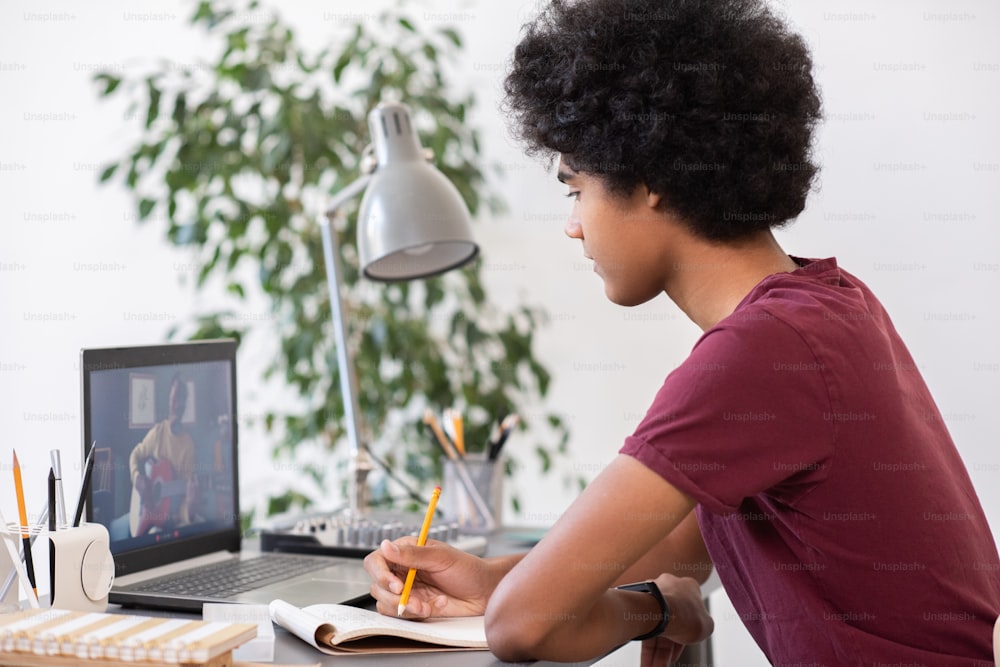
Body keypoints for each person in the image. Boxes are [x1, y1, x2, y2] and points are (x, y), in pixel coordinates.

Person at [364, 0, 1000, 663]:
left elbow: (522, 627)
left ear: (651, 180)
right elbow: (679, 544)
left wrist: (661, 608)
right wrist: (492, 576)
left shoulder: (762, 349)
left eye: (574, 189)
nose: (573, 224)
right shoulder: (831, 307)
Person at [126, 373, 197, 535]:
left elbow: (186, 497)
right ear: (168, 400)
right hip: (147, 512)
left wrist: (189, 511)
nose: (178, 404)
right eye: (175, 398)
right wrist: (137, 477)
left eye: (182, 399)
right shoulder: (157, 432)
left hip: (169, 517)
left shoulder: (188, 445)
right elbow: (135, 455)